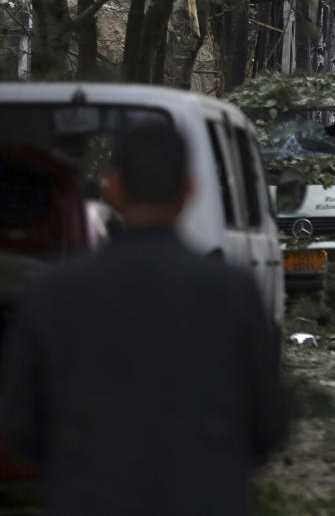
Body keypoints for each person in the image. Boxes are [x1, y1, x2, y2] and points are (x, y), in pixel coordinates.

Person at [1, 122, 287, 516]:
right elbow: (268, 425)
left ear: (112, 189)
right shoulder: (232, 293)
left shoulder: (52, 295)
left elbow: (21, 428)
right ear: (190, 189)